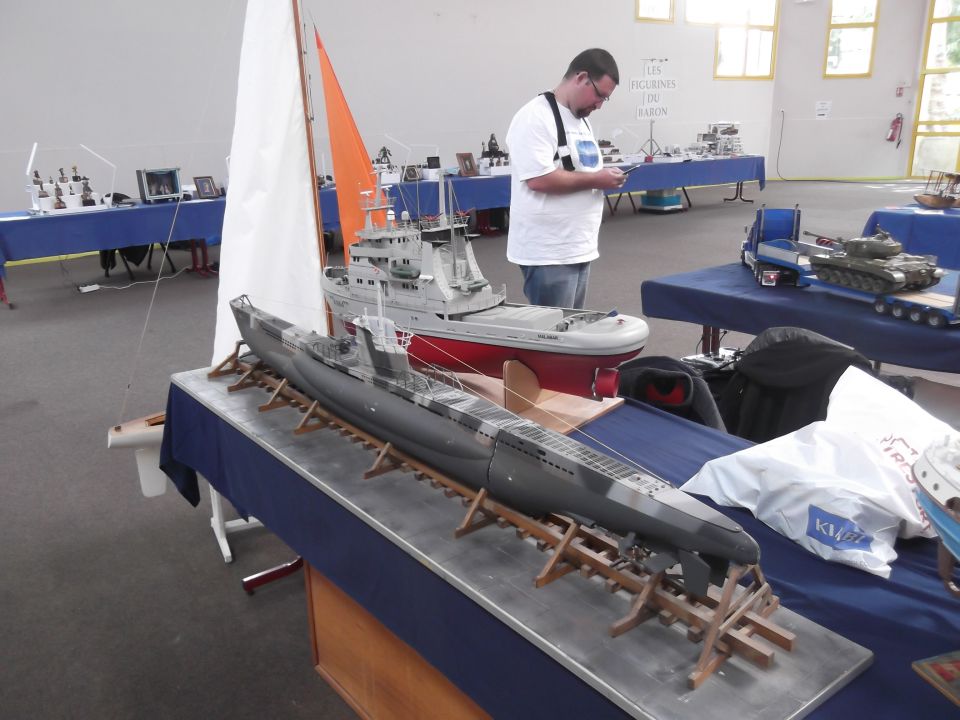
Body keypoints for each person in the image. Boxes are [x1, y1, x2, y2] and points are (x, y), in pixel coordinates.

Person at [505, 48, 626, 309]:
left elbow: (579, 171)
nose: (599, 105)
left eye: (605, 99)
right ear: (581, 78)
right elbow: (539, 180)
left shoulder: (581, 120)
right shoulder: (535, 117)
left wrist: (605, 177)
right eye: (599, 95)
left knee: (574, 328)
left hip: (577, 246)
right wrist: (598, 180)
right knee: (555, 330)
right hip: (549, 253)